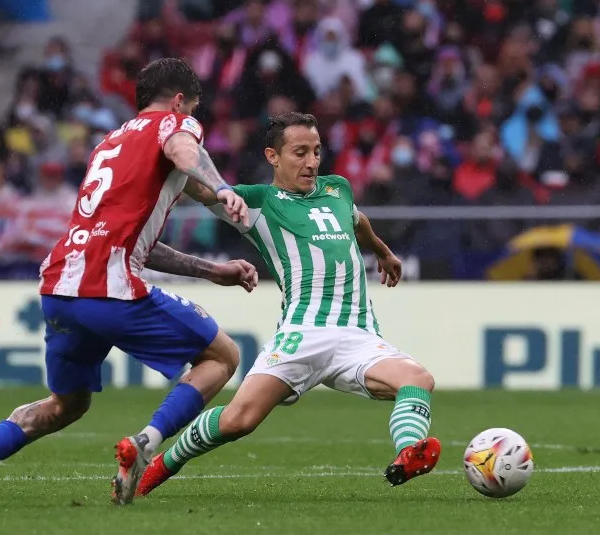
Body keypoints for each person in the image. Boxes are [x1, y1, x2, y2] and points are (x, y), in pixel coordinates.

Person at [0, 58, 257, 506]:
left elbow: (134, 242)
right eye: (192, 110)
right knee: (223, 355)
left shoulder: (110, 144)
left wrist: (210, 270)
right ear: (180, 101)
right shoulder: (176, 126)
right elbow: (186, 149)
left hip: (61, 288)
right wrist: (222, 187)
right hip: (109, 289)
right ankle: (145, 443)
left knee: (68, 403)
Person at [137, 112, 441, 497]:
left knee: (418, 380)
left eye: (316, 151)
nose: (312, 162)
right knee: (238, 421)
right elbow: (200, 190)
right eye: (300, 152)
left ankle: (407, 454)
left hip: (357, 335)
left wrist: (382, 251)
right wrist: (169, 159)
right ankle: (163, 464)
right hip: (301, 335)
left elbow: (357, 219)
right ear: (273, 156)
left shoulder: (338, 189)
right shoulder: (258, 202)